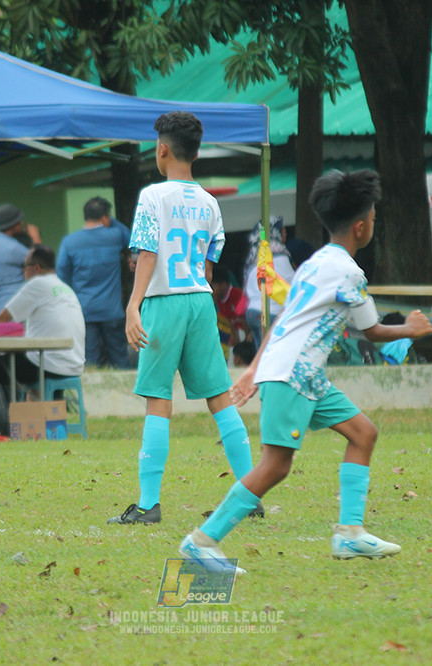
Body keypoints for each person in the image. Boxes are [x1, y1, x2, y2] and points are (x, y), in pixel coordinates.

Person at [177, 169, 432, 573]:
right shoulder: (349, 272)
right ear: (363, 226)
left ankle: (349, 533)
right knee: (276, 466)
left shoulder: (314, 264)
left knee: (363, 432)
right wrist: (413, 329)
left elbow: (281, 321)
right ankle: (201, 541)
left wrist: (251, 371)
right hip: (294, 376)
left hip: (304, 375)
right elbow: (373, 330)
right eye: (375, 218)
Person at [108, 111, 259, 525]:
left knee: (159, 399)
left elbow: (148, 253)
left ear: (161, 149)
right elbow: (210, 266)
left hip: (165, 301)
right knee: (219, 397)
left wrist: (134, 304)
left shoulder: (153, 196)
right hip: (200, 301)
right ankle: (250, 493)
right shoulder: (210, 203)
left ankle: (148, 505)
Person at [0, 244, 85, 441]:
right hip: (72, 363)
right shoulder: (64, 288)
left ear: (36, 268)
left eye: (25, 266)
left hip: (47, 362)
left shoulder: (37, 285)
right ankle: (34, 428)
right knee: (19, 364)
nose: (22, 271)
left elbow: (4, 319)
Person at [56, 196, 131, 369]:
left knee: (90, 362)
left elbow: (62, 277)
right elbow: (132, 239)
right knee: (120, 360)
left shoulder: (69, 242)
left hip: (84, 312)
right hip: (112, 311)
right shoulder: (115, 235)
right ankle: (128, 396)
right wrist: (112, 221)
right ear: (105, 217)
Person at [243, 216, 295, 351]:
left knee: (261, 356)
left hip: (252, 312)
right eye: (282, 230)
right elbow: (292, 284)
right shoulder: (278, 253)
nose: (285, 233)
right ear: (274, 231)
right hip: (269, 312)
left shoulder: (256, 252)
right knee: (271, 356)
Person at [0, 203, 32, 320]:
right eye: (19, 220)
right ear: (11, 225)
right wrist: (35, 238)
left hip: (1, 302)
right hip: (16, 305)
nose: (22, 223)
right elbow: (41, 261)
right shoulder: (11, 247)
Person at [210, 264, 248, 360]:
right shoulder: (219, 300)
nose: (211, 291)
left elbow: (245, 317)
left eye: (213, 287)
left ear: (223, 285)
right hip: (235, 335)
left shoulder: (237, 294)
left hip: (247, 333)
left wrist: (246, 341)